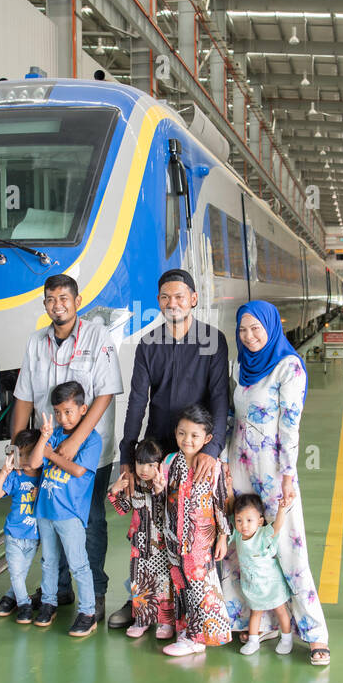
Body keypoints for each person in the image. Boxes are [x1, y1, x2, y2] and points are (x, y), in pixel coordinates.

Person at [108, 268, 229, 630]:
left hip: (196, 452)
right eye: (165, 297)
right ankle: (142, 604)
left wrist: (213, 449)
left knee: (196, 533)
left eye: (179, 296)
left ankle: (200, 609)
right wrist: (130, 458)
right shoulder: (149, 344)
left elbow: (220, 398)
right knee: (149, 533)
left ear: (193, 299)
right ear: (158, 302)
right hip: (158, 452)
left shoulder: (214, 341)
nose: (172, 303)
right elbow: (136, 402)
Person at [219, 301, 331, 666]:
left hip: (274, 471)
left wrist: (287, 476)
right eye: (243, 330)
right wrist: (223, 464)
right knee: (242, 545)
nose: (249, 337)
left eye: (256, 329)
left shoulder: (289, 367)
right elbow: (234, 417)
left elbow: (290, 426)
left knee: (287, 546)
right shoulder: (242, 365)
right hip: (239, 464)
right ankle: (253, 621)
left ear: (270, 327)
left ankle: (314, 634)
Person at [11, 274, 122, 623]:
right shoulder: (35, 342)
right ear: (45, 304)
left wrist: (76, 440)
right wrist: (18, 449)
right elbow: (24, 397)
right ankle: (58, 590)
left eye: (64, 298)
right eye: (50, 299)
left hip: (88, 451)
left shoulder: (97, 336)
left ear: (76, 301)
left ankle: (96, 593)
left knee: (89, 521)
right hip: (47, 449)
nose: (57, 305)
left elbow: (105, 392)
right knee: (50, 518)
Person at [28, 382, 102, 637]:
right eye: (58, 412)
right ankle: (49, 602)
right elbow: (36, 462)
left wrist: (52, 454)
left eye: (68, 411)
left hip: (69, 514)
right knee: (48, 562)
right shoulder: (55, 435)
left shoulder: (92, 439)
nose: (63, 417)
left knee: (79, 564)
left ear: (83, 409)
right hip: (45, 510)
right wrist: (45, 440)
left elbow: (79, 470)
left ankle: (88, 612)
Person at [160, 404, 232, 657]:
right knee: (181, 584)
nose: (187, 440)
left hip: (201, 540)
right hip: (173, 537)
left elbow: (221, 503)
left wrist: (223, 535)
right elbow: (163, 497)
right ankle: (185, 629)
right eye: (182, 433)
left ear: (207, 439)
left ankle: (199, 637)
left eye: (194, 435)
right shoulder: (169, 462)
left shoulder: (214, 468)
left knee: (201, 585)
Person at [106, 438, 174, 639]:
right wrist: (115, 490)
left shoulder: (164, 484)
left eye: (151, 465)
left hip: (161, 545)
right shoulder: (134, 486)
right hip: (139, 545)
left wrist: (160, 491)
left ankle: (165, 622)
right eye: (140, 463)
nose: (144, 469)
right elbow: (122, 509)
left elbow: (168, 513)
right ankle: (142, 620)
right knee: (140, 581)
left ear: (159, 465)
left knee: (163, 583)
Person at [231, 493, 294, 657]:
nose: (244, 525)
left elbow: (277, 526)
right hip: (252, 586)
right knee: (255, 612)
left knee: (280, 610)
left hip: (271, 583)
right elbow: (230, 512)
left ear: (260, 521)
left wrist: (281, 508)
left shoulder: (262, 534)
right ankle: (253, 641)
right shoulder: (238, 535)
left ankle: (287, 638)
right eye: (239, 520)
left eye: (249, 520)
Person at [0, 428, 42, 624]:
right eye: (20, 454)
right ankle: (24, 605)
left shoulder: (44, 477)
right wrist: (5, 471)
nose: (24, 459)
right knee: (16, 573)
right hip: (14, 534)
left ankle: (11, 598)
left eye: (29, 454)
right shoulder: (16, 476)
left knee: (20, 574)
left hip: (34, 536)